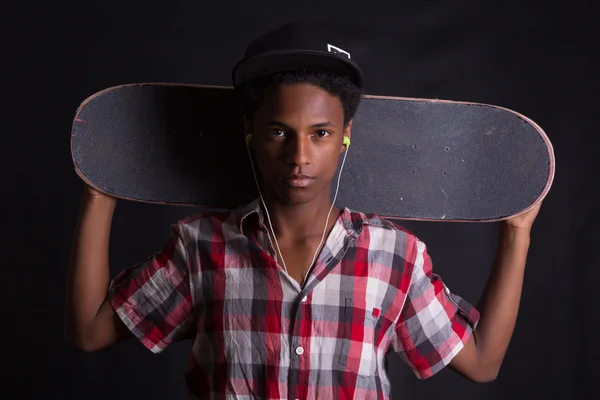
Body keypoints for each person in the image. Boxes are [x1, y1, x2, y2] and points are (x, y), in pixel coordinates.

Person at [65, 21, 541, 399]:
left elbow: (481, 363)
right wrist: (99, 191)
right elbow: (88, 332)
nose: (299, 157)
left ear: (345, 135)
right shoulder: (200, 247)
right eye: (278, 132)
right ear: (249, 131)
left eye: (320, 133)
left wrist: (518, 231)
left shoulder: (393, 254)